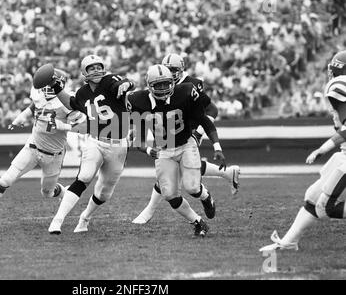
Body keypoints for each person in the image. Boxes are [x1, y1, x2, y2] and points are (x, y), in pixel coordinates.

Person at [0, 64, 84, 226]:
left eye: (50, 86)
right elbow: (34, 106)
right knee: (5, 180)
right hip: (32, 147)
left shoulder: (68, 102)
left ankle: (63, 192)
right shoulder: (39, 95)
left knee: (47, 192)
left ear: (59, 85)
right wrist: (21, 117)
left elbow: (83, 127)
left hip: (53, 155)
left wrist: (64, 126)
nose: (46, 89)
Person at [132, 53, 240, 225]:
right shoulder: (139, 99)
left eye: (174, 71)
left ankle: (203, 193)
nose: (163, 87)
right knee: (170, 189)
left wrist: (207, 139)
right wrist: (145, 146)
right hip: (164, 147)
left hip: (186, 138)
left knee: (191, 184)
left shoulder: (189, 88)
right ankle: (196, 219)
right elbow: (136, 136)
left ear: (181, 70)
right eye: (157, 84)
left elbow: (207, 114)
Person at [260, 50, 346, 252]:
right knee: (312, 196)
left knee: (326, 206)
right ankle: (289, 242)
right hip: (343, 152)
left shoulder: (338, 87)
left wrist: (323, 148)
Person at [48, 54, 135, 234]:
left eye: (98, 66)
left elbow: (124, 82)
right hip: (95, 140)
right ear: (84, 72)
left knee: (104, 193)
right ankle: (57, 221)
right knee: (84, 177)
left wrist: (126, 85)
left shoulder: (110, 81)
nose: (96, 70)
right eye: (91, 68)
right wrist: (57, 88)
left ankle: (85, 217)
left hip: (118, 145)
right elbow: (71, 103)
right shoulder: (83, 92)